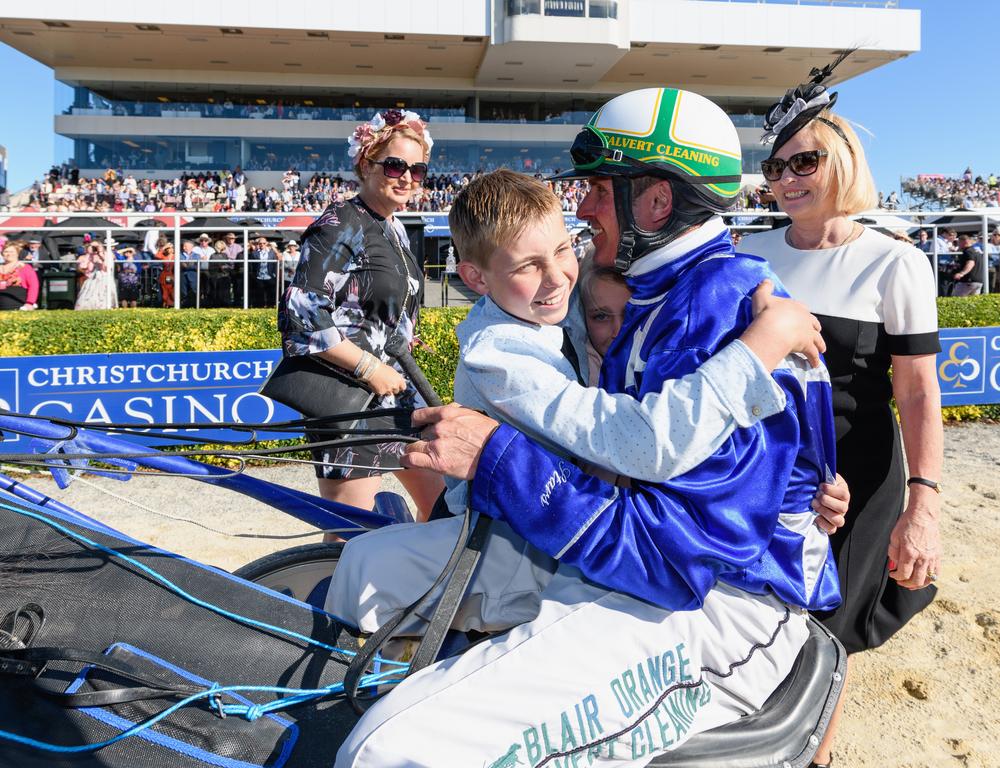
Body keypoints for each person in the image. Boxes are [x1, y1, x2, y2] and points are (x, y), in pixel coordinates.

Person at [333, 89, 843, 767]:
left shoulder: (720, 309)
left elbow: (669, 548)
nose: (583, 209)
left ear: (656, 202)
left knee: (385, 750)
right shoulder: (660, 290)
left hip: (711, 604)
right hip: (639, 571)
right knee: (364, 568)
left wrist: (497, 461)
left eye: (600, 189)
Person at [742, 54, 944, 767]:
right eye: (775, 168)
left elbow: (919, 392)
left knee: (829, 629)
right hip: (765, 473)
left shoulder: (896, 261)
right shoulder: (750, 252)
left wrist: (924, 503)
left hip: (856, 476)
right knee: (760, 616)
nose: (787, 179)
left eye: (805, 163)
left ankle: (813, 758)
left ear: (843, 162)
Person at [278, 108, 445, 523]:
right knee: (347, 531)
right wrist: (370, 366)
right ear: (366, 164)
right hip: (349, 397)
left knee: (444, 508)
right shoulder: (339, 224)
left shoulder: (394, 228)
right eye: (395, 165)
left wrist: (399, 334)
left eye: (417, 169)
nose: (406, 177)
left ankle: (420, 586)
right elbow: (301, 311)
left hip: (394, 394)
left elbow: (379, 304)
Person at [75, 240, 117, 310]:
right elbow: (87, 268)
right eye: (92, 246)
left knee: (104, 295)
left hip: (105, 276)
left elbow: (107, 268)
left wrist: (101, 255)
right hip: (94, 276)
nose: (94, 248)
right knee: (89, 294)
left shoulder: (108, 254)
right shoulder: (91, 256)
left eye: (96, 246)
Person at [0, 242, 40, 311]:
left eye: (12, 252)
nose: (9, 254)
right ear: (2, 253)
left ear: (17, 253)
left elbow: (34, 286)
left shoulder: (25, 268)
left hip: (18, 306)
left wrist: (29, 303)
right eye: (6, 251)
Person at [249, 235, 279, 308]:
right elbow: (251, 265)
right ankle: (260, 306)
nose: (262, 245)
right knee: (259, 293)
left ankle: (271, 306)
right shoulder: (254, 253)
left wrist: (275, 274)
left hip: (269, 275)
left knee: (271, 292)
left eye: (263, 243)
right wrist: (253, 275)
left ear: (266, 244)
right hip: (258, 276)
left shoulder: (271, 252)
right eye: (260, 243)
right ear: (258, 244)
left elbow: (275, 264)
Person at [155, 242, 176, 308]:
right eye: (168, 248)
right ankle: (166, 303)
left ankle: (171, 303)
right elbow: (157, 256)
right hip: (165, 275)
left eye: (171, 248)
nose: (170, 249)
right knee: (164, 289)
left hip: (172, 274)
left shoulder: (176, 256)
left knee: (171, 289)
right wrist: (164, 247)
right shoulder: (164, 256)